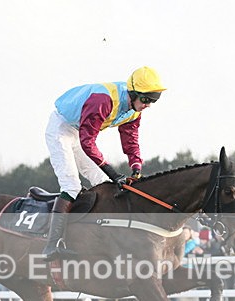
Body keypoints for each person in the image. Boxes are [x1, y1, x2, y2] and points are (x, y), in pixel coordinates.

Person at [42, 66, 167, 260]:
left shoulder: (134, 110)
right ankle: (52, 245)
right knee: (72, 186)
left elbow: (130, 139)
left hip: (78, 131)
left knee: (103, 184)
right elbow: (87, 142)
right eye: (145, 100)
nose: (148, 105)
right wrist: (113, 172)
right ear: (133, 93)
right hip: (61, 128)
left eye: (152, 101)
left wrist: (136, 166)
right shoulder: (103, 101)